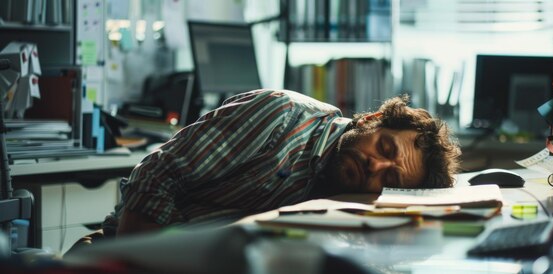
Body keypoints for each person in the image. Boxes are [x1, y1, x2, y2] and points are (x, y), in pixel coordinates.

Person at [116, 89, 461, 235]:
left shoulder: (349, 194)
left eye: (392, 180)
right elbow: (155, 177)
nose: (376, 168)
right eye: (385, 148)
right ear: (370, 119)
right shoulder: (282, 118)